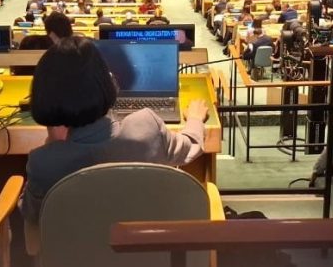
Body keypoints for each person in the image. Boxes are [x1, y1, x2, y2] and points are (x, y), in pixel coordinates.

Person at [20, 36, 208, 224]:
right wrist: (195, 119)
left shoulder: (43, 162)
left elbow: (33, 216)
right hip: (145, 241)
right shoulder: (147, 128)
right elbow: (190, 146)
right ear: (108, 82)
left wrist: (52, 143)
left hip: (77, 243)